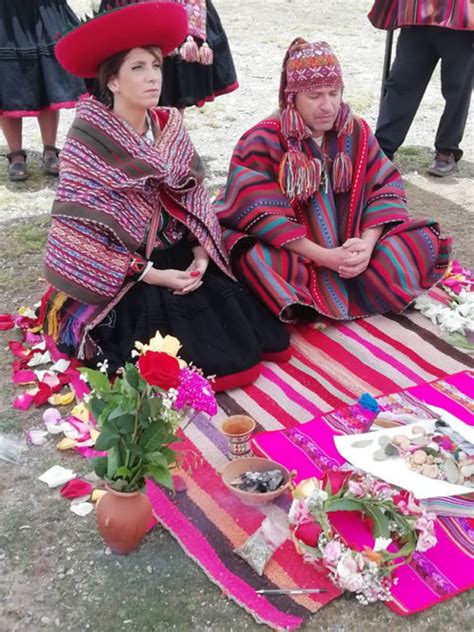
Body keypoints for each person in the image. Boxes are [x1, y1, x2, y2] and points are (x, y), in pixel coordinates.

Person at [39, 2, 289, 392]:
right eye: (138, 68)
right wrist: (152, 274)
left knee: (248, 340)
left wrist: (202, 254)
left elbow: (194, 200)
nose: (153, 77)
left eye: (156, 65)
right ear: (113, 81)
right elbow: (82, 234)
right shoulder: (87, 141)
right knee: (181, 356)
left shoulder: (168, 125)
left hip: (179, 253)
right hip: (125, 269)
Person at [215, 38, 451, 324]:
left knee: (420, 239)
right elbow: (258, 214)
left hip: (352, 254)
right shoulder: (262, 139)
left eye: (334, 93)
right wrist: (325, 257)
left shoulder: (357, 132)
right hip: (297, 254)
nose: (327, 105)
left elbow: (384, 186)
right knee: (250, 257)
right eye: (315, 96)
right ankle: (305, 299)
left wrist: (366, 245)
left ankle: (337, 288)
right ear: (292, 96)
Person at [368, 0, 473, 176]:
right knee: (401, 82)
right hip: (417, 13)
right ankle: (383, 149)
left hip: (462, 17)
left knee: (457, 89)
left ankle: (447, 150)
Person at [0, 0, 86, 181]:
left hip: (44, 7)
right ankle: (15, 154)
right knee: (8, 79)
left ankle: (50, 149)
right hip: (5, 11)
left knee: (48, 76)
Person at [97, 0, 238, 109]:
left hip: (181, 13)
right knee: (127, 79)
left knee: (174, 93)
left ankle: (168, 138)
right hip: (134, 9)